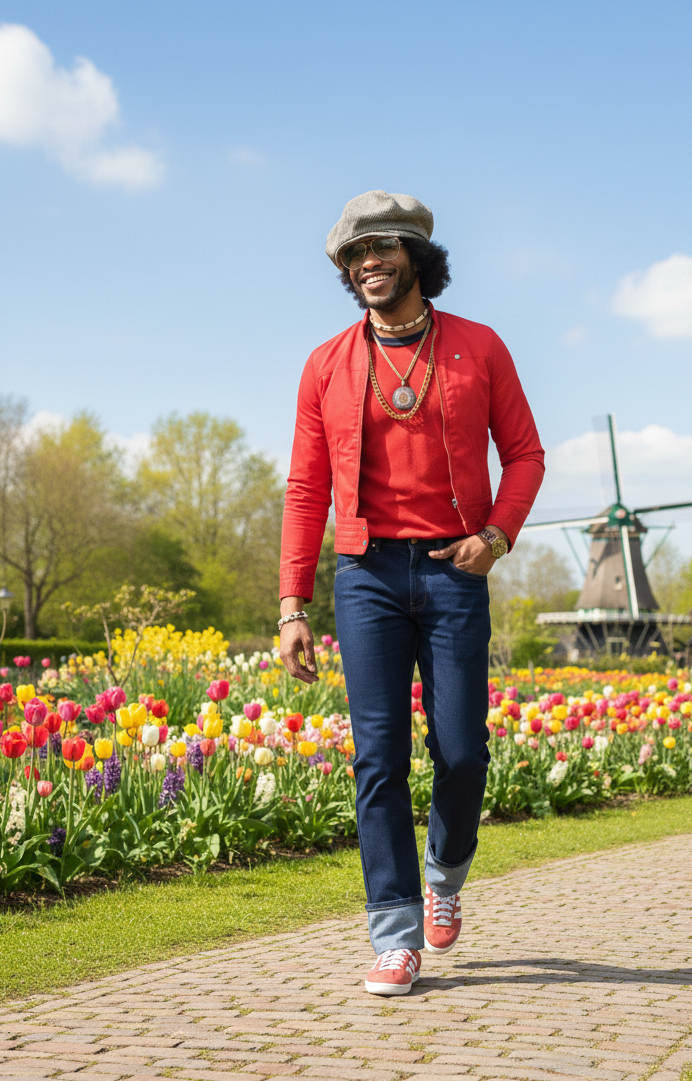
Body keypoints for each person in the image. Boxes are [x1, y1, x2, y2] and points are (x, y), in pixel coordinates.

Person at [278, 190, 544, 995]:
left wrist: (495, 537)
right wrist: (292, 604)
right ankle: (393, 935)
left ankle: (445, 875)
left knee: (462, 752)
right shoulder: (325, 364)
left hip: (454, 568)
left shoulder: (479, 346)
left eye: (383, 248)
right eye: (355, 255)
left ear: (417, 258)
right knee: (378, 757)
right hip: (366, 577)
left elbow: (525, 455)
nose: (369, 263)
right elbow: (306, 488)